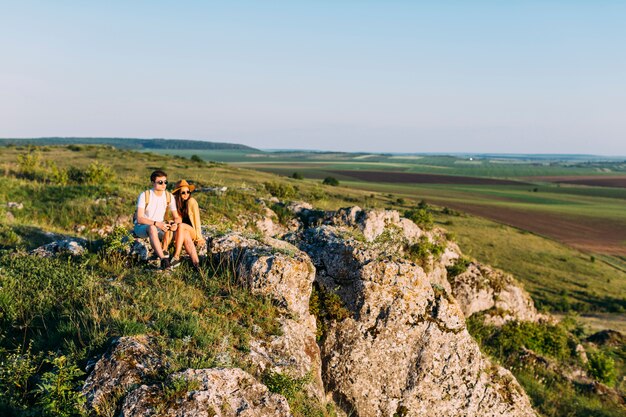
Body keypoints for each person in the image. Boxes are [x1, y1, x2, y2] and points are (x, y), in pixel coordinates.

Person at [134, 170, 182, 269]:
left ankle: (184, 260)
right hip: (142, 227)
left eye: (165, 182)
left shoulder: (169, 196)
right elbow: (139, 218)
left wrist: (174, 224)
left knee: (181, 229)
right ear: (153, 183)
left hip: (160, 226)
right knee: (152, 228)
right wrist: (156, 224)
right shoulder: (145, 195)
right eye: (160, 182)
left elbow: (177, 217)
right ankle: (164, 260)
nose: (163, 184)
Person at [163, 179, 205, 270]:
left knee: (182, 226)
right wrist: (172, 222)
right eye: (183, 193)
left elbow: (197, 220)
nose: (186, 194)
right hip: (182, 231)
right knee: (184, 232)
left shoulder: (192, 202)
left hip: (192, 230)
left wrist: (199, 238)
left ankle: (176, 256)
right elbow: (174, 219)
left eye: (188, 192)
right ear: (178, 194)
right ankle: (196, 264)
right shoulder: (175, 203)